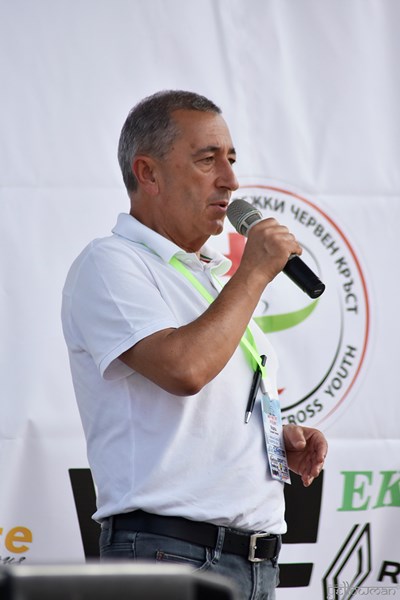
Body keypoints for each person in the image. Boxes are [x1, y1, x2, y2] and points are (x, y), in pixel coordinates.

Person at [62, 90, 327, 599]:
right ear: (148, 173)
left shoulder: (207, 276)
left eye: (231, 159)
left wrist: (271, 441)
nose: (230, 179)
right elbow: (184, 369)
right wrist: (254, 272)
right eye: (208, 160)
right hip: (171, 554)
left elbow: (202, 397)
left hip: (253, 562)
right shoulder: (111, 263)